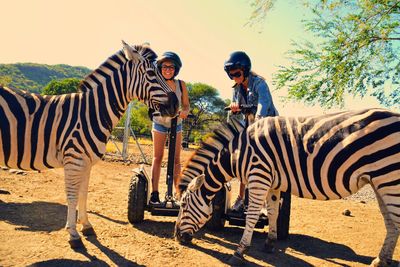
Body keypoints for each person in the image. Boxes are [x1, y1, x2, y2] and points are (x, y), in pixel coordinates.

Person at [224, 51, 278, 211]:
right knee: (244, 161)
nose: (234, 77)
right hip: (249, 127)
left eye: (237, 73)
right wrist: (233, 108)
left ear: (245, 70)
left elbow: (264, 104)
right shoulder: (236, 88)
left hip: (268, 126)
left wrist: (258, 120)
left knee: (267, 165)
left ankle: (263, 202)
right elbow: (234, 107)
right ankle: (241, 199)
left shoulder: (260, 84)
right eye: (231, 74)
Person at [149, 51, 190, 205]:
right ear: (160, 68)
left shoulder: (181, 84)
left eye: (171, 67)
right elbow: (150, 101)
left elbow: (186, 104)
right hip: (159, 122)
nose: (168, 69)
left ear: (176, 69)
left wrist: (185, 111)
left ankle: (178, 195)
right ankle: (154, 193)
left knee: (176, 160)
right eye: (165, 66)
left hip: (176, 124)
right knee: (157, 157)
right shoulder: (156, 83)